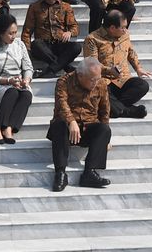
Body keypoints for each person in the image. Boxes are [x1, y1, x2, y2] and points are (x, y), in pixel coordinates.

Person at [48, 57, 112, 192]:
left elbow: (104, 110)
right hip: (66, 128)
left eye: (97, 79)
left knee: (104, 129)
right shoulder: (64, 81)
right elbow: (62, 104)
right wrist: (71, 121)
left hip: (88, 127)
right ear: (80, 75)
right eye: (92, 80)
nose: (95, 83)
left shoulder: (100, 84)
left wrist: (105, 140)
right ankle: (60, 173)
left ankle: (89, 173)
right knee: (59, 125)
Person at [84, 10, 152, 119]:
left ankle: (114, 107)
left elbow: (130, 52)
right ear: (112, 28)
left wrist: (138, 68)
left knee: (142, 86)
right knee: (100, 93)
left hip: (122, 80)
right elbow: (92, 65)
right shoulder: (92, 39)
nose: (125, 30)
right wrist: (109, 70)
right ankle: (127, 111)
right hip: (103, 81)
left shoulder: (125, 35)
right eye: (123, 27)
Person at [0, 13, 33, 145]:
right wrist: (9, 81)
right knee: (12, 92)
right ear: (1, 33)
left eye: (15, 32)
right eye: (10, 33)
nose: (13, 36)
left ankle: (9, 127)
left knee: (26, 95)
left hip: (18, 83)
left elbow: (28, 68)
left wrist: (26, 80)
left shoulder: (20, 45)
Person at [22, 0, 82, 78]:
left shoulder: (66, 7)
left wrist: (70, 33)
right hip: (43, 47)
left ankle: (49, 70)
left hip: (60, 44)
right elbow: (26, 32)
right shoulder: (34, 7)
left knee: (76, 47)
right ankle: (66, 67)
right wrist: (26, 51)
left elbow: (75, 26)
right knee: (36, 44)